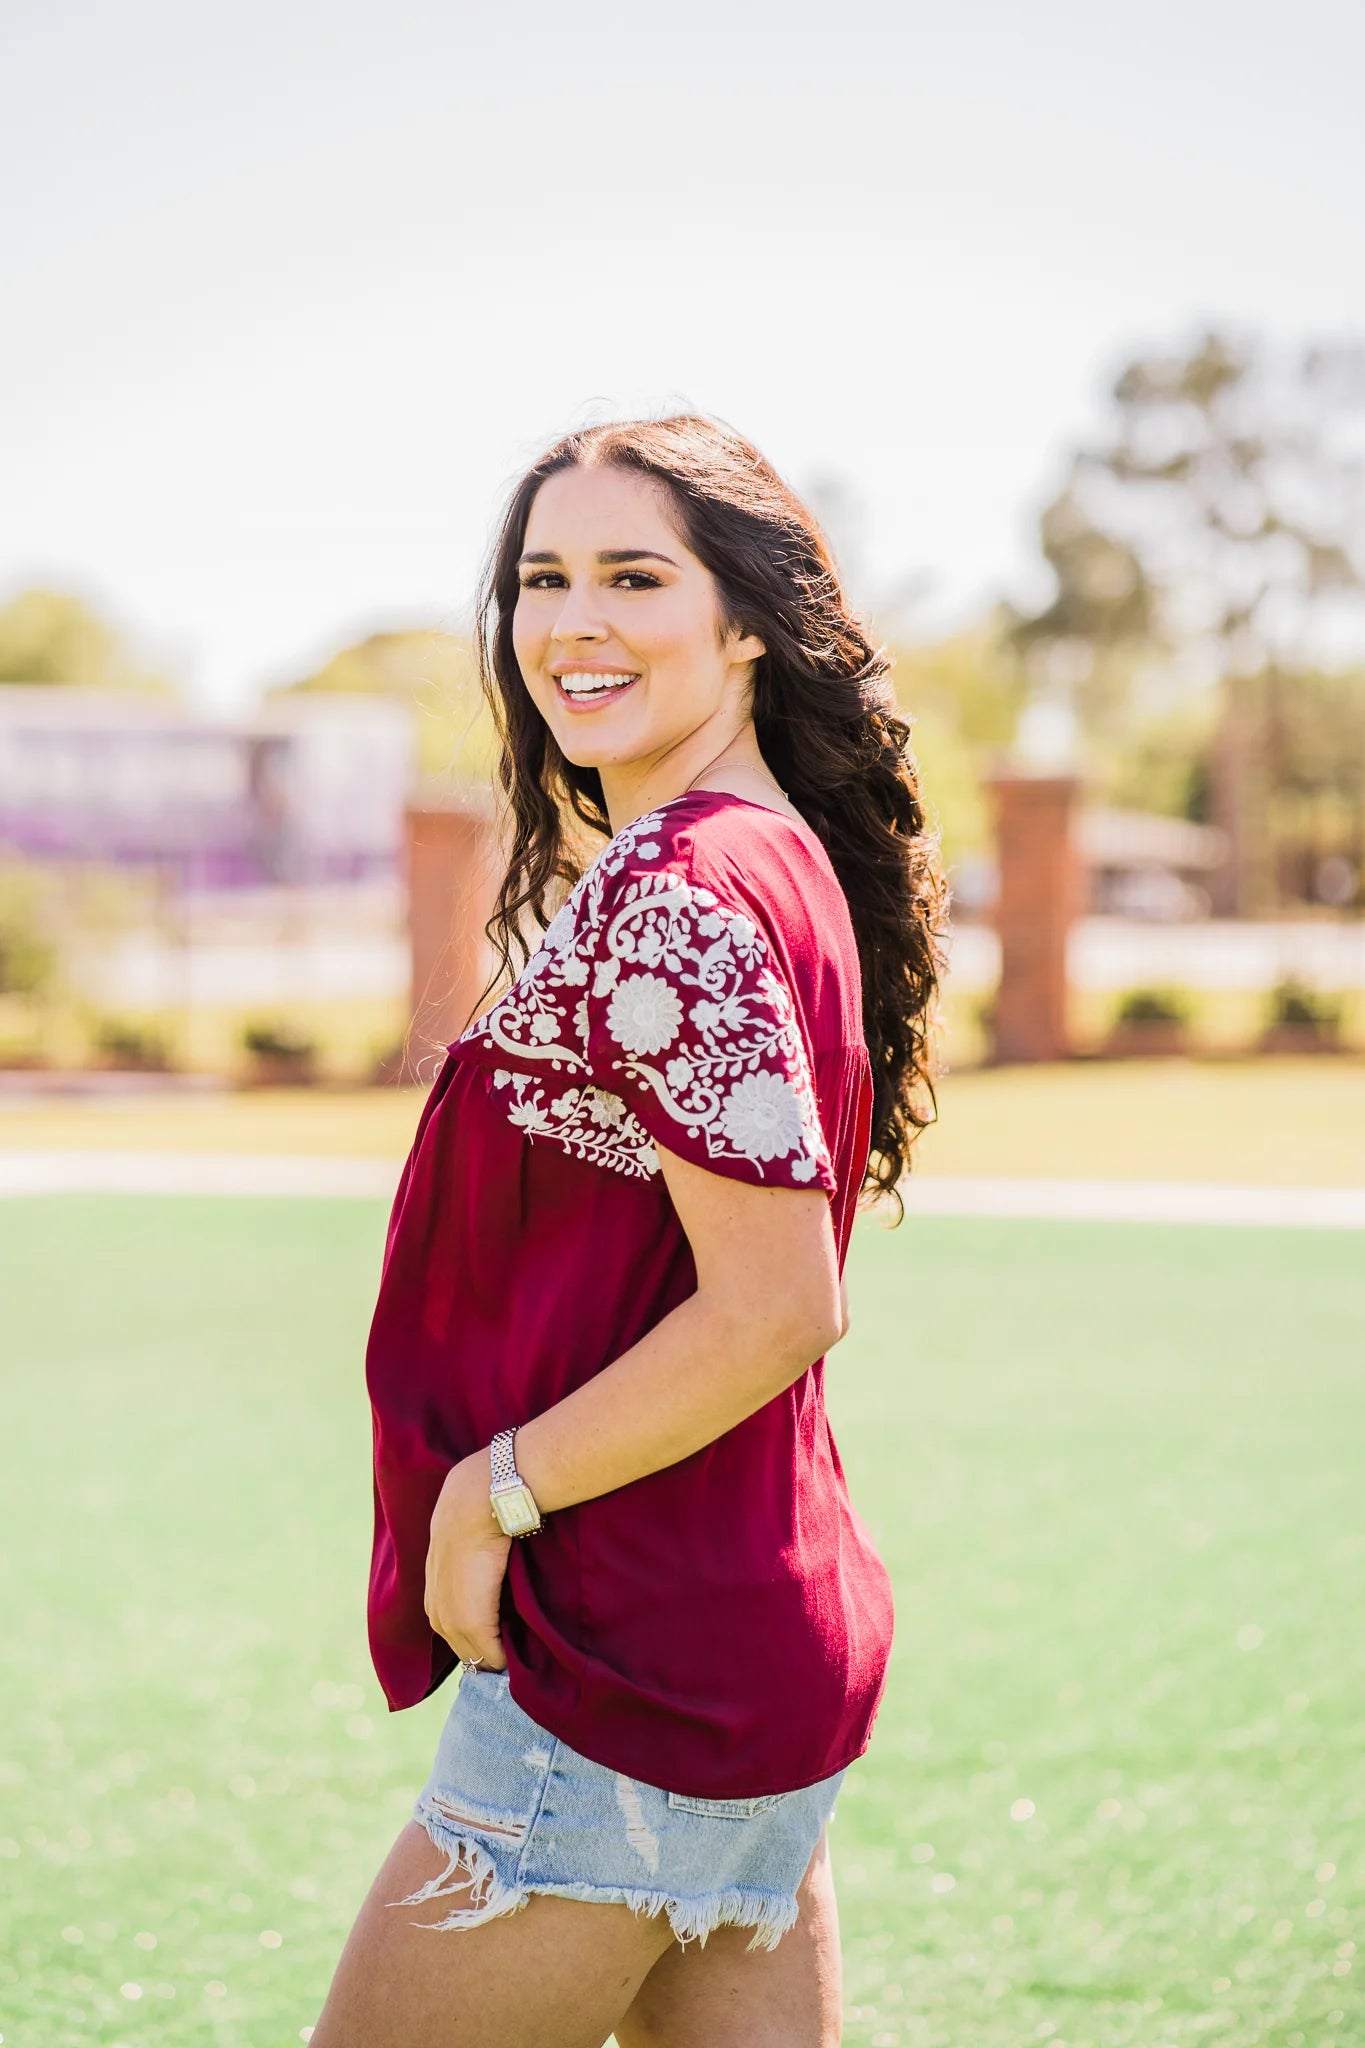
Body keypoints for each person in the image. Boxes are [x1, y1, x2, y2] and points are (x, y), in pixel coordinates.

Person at [312, 414, 945, 2048]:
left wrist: (487, 1488)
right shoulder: (761, 860)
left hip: (627, 1659)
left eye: (632, 576)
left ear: (743, 619)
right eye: (540, 579)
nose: (570, 623)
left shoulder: (686, 887)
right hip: (738, 1633)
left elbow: (772, 1308)